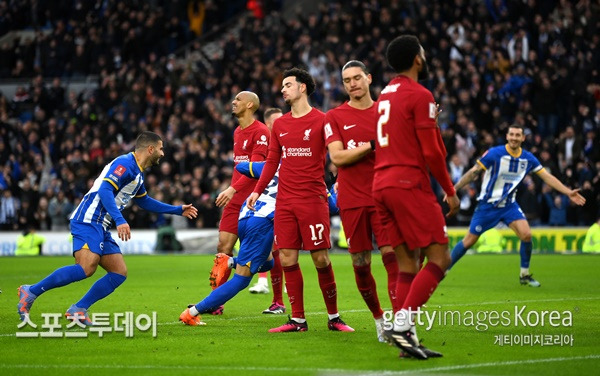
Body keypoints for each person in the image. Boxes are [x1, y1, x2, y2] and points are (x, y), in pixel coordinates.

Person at [17, 131, 198, 324]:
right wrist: (120, 220)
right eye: (161, 149)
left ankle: (78, 309)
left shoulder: (137, 173)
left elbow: (144, 201)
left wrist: (177, 210)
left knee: (118, 272)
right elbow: (105, 189)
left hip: (101, 224)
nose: (163, 153)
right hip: (88, 218)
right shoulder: (125, 164)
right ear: (150, 149)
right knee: (86, 268)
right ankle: (31, 291)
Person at [247, 67, 354, 333]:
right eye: (282, 86)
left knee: (320, 259)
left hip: (313, 199)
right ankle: (297, 320)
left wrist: (343, 179)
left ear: (302, 87)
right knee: (286, 258)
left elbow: (338, 152)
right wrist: (257, 191)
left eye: (287, 84)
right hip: (285, 201)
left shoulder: (322, 120)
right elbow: (272, 161)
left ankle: (334, 317)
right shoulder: (280, 124)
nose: (282, 89)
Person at [373, 35, 460, 359]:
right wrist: (450, 192)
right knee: (440, 258)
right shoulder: (420, 94)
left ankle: (407, 337)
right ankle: (402, 323)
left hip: (381, 185)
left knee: (408, 263)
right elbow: (433, 153)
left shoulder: (385, 95)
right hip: (408, 182)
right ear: (418, 60)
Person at [450, 123, 586, 286]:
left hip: (509, 205)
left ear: (523, 138)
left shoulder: (528, 158)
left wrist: (568, 192)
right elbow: (474, 172)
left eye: (517, 135)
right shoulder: (495, 153)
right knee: (468, 241)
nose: (514, 138)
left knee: (526, 235)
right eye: (511, 134)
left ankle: (524, 275)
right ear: (507, 136)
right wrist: (454, 189)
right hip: (488, 205)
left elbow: (547, 177)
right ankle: (442, 269)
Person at [324, 60, 399, 342]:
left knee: (392, 258)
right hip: (352, 200)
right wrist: (372, 145)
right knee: (360, 263)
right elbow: (338, 157)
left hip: (383, 196)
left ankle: (400, 320)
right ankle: (380, 319)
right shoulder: (335, 116)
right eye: (347, 80)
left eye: (357, 78)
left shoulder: (385, 112)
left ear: (368, 78)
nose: (352, 83)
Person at [179, 161, 279, 326]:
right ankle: (192, 313)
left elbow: (240, 167)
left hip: (245, 214)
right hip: (262, 222)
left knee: (268, 262)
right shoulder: (297, 170)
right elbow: (331, 206)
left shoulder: (271, 166)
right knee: (241, 279)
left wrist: (258, 167)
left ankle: (231, 261)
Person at [208, 91, 270, 315]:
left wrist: (233, 187)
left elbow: (257, 168)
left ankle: (276, 297)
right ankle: (215, 302)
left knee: (265, 258)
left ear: (250, 105)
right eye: (233, 99)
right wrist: (233, 189)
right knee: (222, 248)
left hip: (254, 200)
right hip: (235, 200)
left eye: (237, 100)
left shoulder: (261, 132)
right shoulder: (237, 131)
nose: (233, 102)